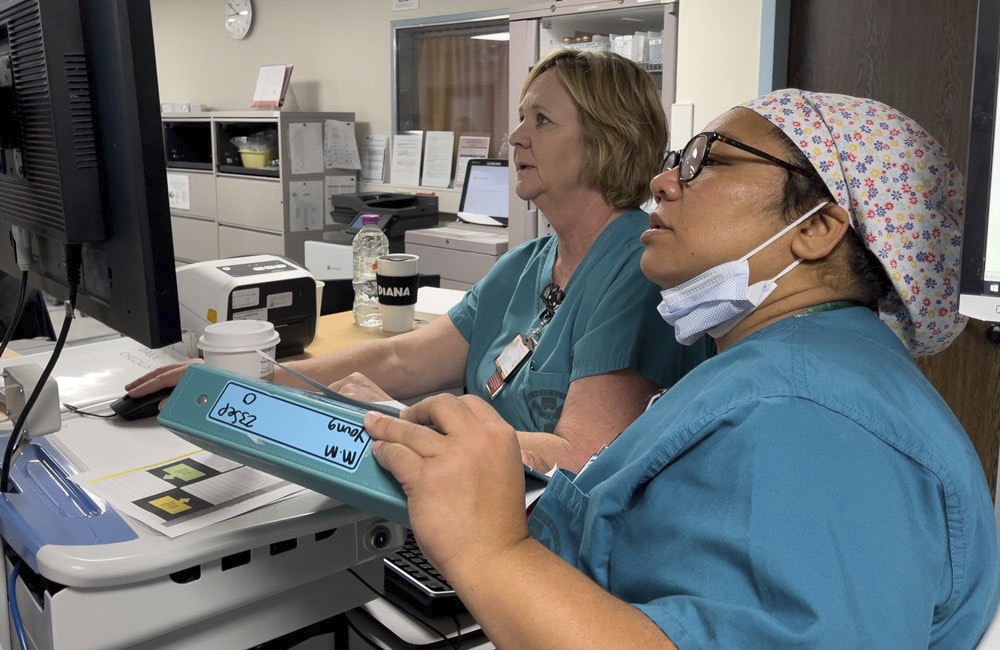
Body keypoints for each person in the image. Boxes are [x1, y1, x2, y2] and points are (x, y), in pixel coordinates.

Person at [364, 88, 1000, 648]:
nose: (664, 184)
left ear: (819, 229)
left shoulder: (808, 419)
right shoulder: (780, 371)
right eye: (676, 161)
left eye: (711, 162)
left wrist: (491, 550)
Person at [126, 48, 711, 474]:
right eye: (521, 117)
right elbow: (401, 356)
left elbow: (580, 457)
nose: (514, 137)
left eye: (541, 120)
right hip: (472, 500)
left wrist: (404, 423)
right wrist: (248, 383)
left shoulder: (636, 271)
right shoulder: (528, 264)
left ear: (607, 139)